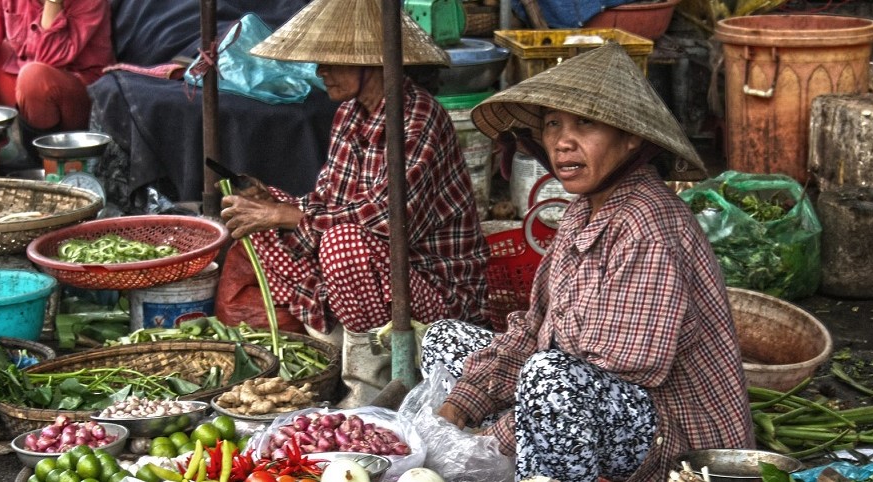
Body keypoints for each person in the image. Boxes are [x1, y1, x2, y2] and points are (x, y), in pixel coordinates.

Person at [421, 43, 755, 482]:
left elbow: (617, 366)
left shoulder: (648, 223)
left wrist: (495, 437)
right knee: (445, 341)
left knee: (549, 379)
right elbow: (536, 326)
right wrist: (461, 405)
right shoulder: (582, 210)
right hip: (583, 393)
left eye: (585, 123)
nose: (562, 142)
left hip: (675, 437)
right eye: (553, 125)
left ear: (630, 135)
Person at [219, 0, 489, 343]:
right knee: (258, 217)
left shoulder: (419, 118)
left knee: (341, 242)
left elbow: (386, 220)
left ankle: (371, 364)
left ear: (370, 62)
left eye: (331, 62)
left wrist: (285, 215)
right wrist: (271, 205)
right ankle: (336, 335)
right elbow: (329, 199)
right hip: (372, 268)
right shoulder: (349, 113)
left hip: (436, 292)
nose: (320, 72)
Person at [0, 0, 113, 153]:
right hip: (22, 90)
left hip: (73, 98)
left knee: (33, 76)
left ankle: (31, 154)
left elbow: (48, 60)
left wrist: (53, 3)